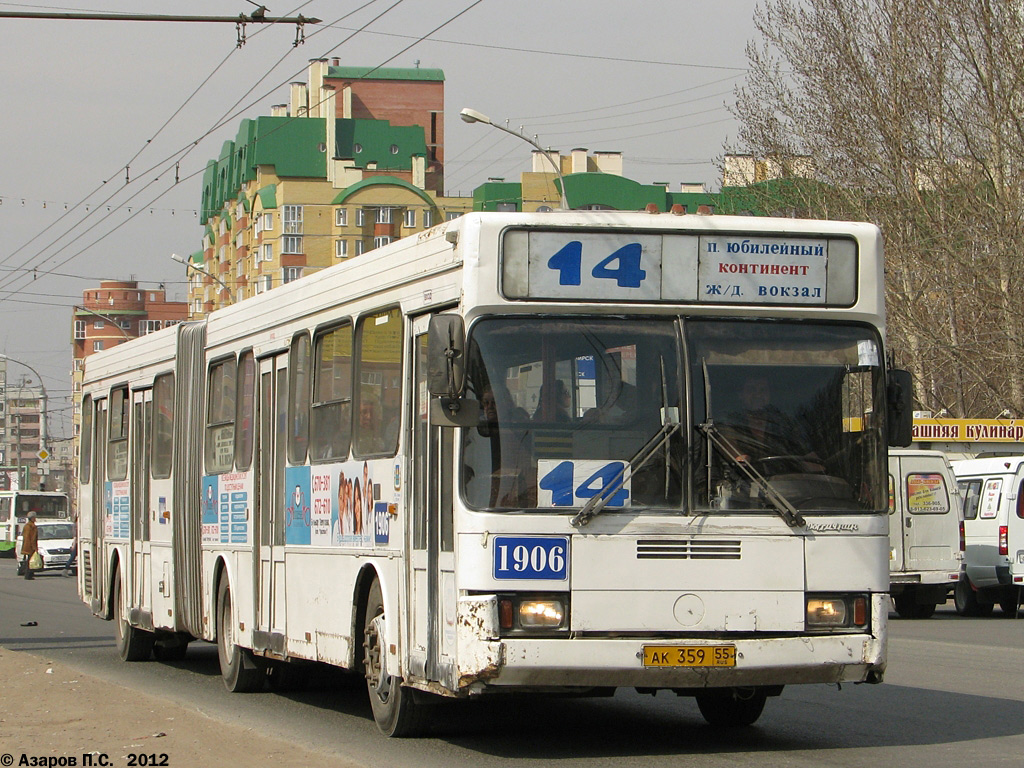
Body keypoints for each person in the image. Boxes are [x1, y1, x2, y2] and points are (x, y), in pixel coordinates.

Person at [21, 511, 38, 581]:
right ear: (31, 518)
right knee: (30, 561)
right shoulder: (30, 526)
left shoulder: (28, 526)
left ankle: (30, 574)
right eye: (34, 517)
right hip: (29, 546)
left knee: (30, 560)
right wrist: (34, 547)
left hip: (28, 545)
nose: (35, 519)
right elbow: (31, 538)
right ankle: (28, 575)